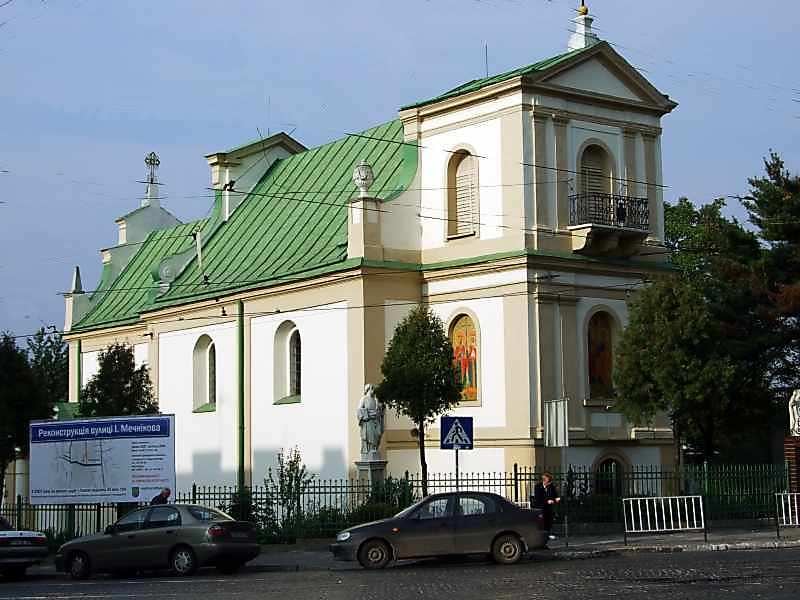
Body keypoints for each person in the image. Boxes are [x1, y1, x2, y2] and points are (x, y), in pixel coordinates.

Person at [532, 472, 560, 540]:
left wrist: (556, 498)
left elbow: (555, 495)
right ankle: (541, 535)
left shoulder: (551, 486)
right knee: (542, 522)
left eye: (549, 482)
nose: (548, 484)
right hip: (541, 507)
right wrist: (547, 501)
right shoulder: (538, 487)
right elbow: (538, 498)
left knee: (549, 521)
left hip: (549, 508)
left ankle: (548, 534)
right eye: (547, 481)